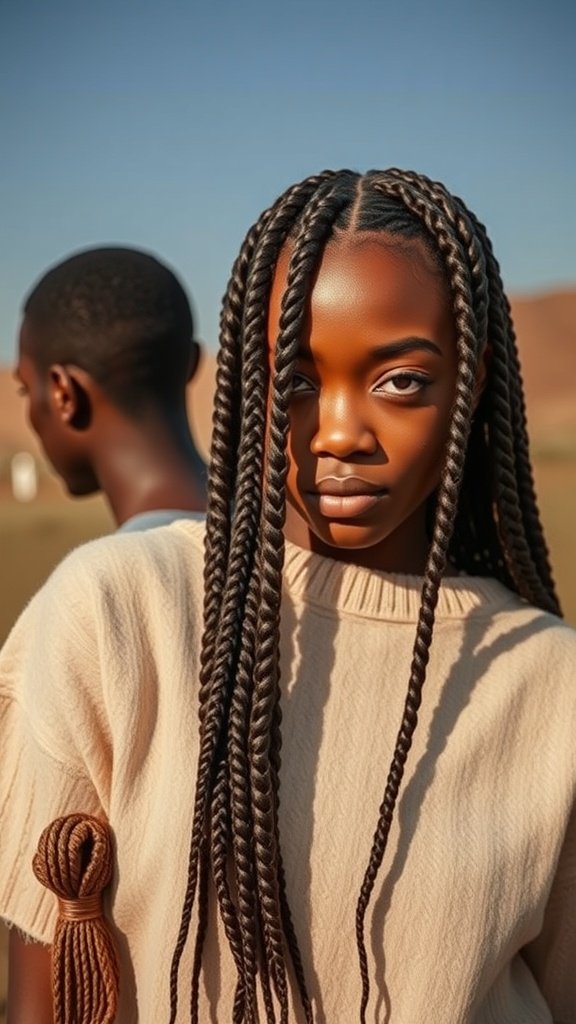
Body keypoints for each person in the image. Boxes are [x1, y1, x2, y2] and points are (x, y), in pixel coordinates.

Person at [1, 169, 575, 1024]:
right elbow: (41, 998)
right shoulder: (117, 613)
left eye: (402, 381)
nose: (340, 431)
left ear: (474, 379)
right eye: (297, 382)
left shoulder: (552, 683)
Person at [14, 246, 207, 528]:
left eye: (26, 389)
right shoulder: (285, 535)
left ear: (64, 395)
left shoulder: (98, 572)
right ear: (192, 364)